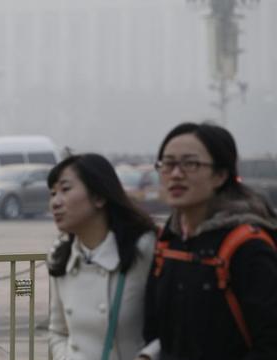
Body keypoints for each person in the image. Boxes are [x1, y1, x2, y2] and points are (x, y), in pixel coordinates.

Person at [139, 122, 277, 360]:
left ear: (221, 175)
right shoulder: (168, 244)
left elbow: (269, 345)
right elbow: (158, 332)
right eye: (168, 164)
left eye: (190, 164)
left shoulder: (247, 247)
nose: (176, 174)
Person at [47, 153, 157, 360]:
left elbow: (175, 323)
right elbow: (58, 331)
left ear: (99, 197)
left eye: (65, 189)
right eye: (52, 193)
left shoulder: (144, 248)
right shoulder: (60, 257)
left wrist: (148, 356)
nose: (55, 202)